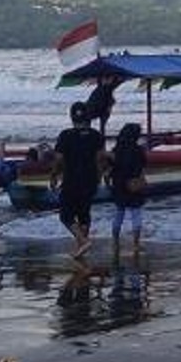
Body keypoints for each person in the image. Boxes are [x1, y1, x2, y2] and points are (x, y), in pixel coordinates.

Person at [50, 101, 107, 259]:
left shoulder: (66, 135)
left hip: (72, 179)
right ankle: (81, 248)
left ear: (72, 117)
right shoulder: (96, 136)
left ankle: (82, 241)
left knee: (66, 216)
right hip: (90, 180)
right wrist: (100, 176)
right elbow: (101, 158)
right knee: (84, 213)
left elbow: (59, 159)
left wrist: (53, 175)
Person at [107, 122, 148, 255]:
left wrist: (108, 182)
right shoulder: (139, 150)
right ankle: (136, 243)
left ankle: (115, 242)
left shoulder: (116, 150)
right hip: (134, 184)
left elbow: (110, 169)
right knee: (136, 213)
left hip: (118, 184)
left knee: (119, 213)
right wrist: (143, 181)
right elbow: (142, 168)